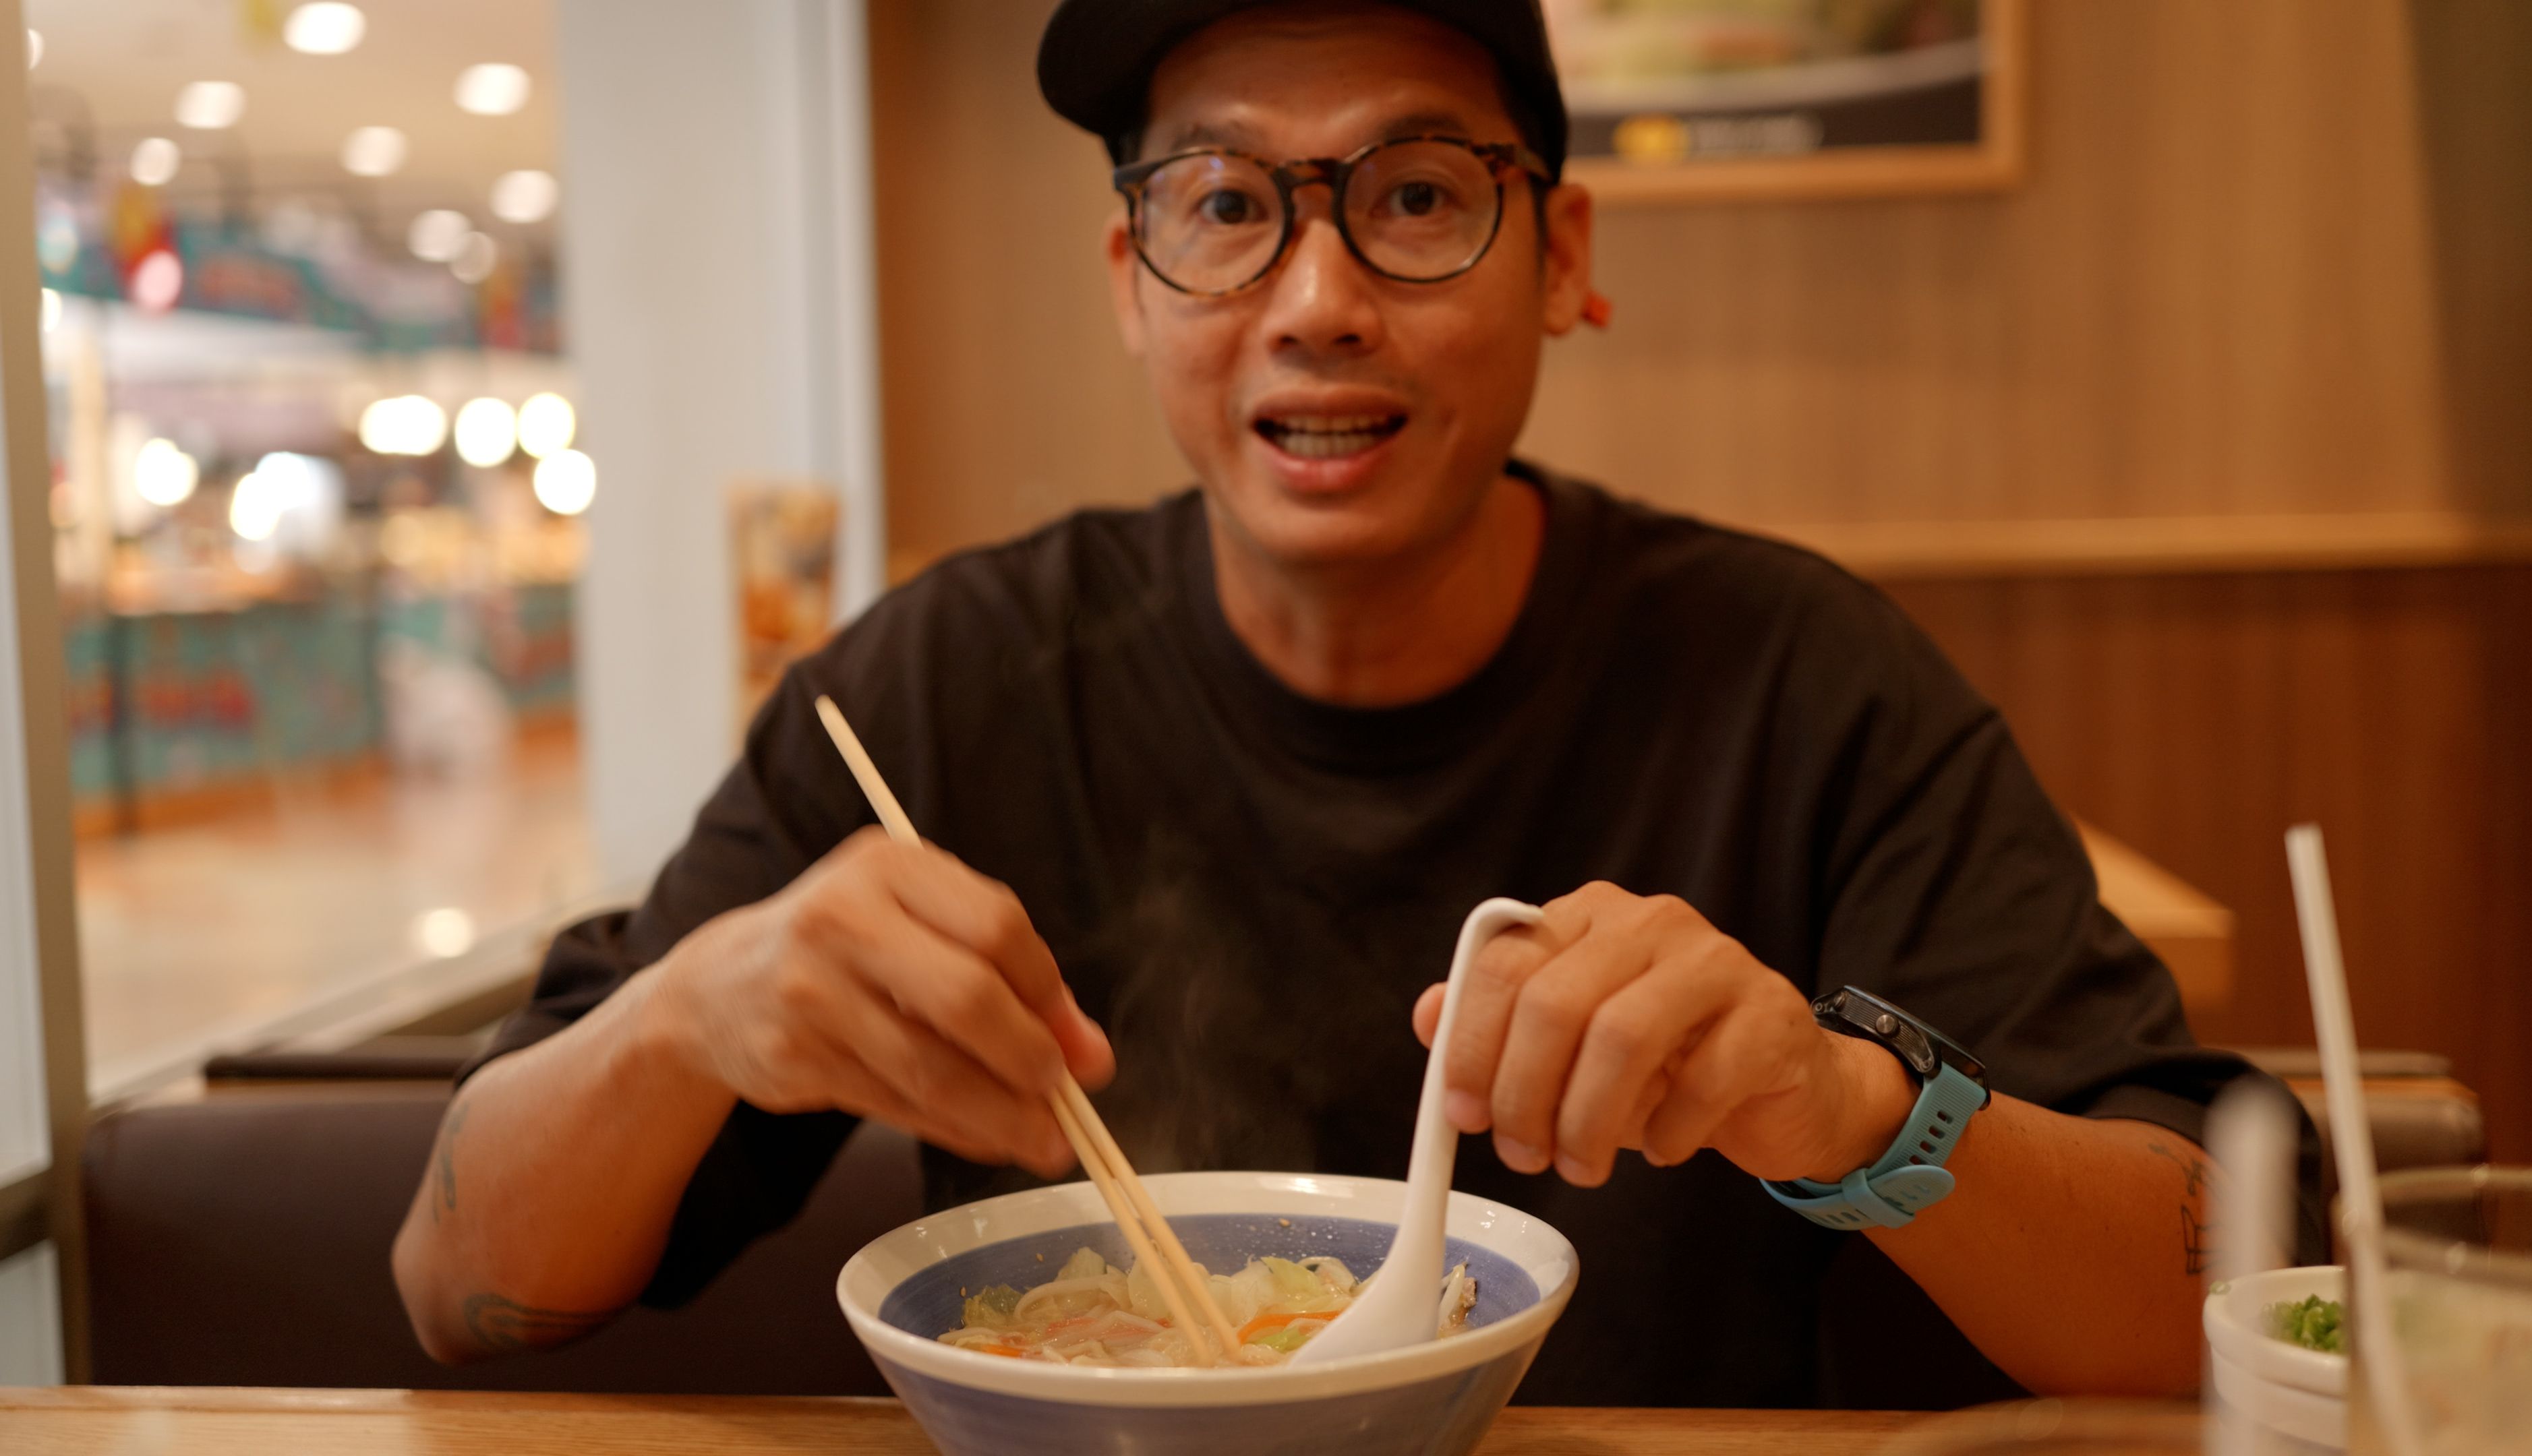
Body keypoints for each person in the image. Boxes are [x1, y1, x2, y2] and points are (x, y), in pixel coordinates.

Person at [394, 0, 2314, 1405]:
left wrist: (1835, 1101)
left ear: (1564, 257)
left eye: (1412, 195)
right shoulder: (942, 687)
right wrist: (685, 1023)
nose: (1315, 296)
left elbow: (2208, 1305)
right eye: (1225, 206)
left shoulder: (1803, 683)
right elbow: (451, 1285)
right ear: (1131, 281)